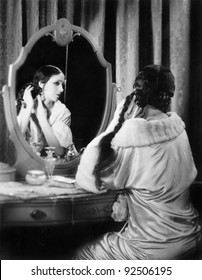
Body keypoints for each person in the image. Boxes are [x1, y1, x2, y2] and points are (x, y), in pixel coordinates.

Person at [74, 64, 201, 259]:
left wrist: (117, 119)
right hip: (191, 236)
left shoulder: (133, 134)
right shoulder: (178, 129)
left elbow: (92, 178)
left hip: (152, 247)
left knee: (83, 255)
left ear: (137, 93)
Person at [17, 65, 74, 157]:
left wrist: (43, 119)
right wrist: (29, 108)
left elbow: (59, 152)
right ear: (42, 84)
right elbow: (14, 143)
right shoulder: (26, 103)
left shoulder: (63, 112)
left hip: (53, 166)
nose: (61, 89)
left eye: (62, 84)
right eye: (56, 83)